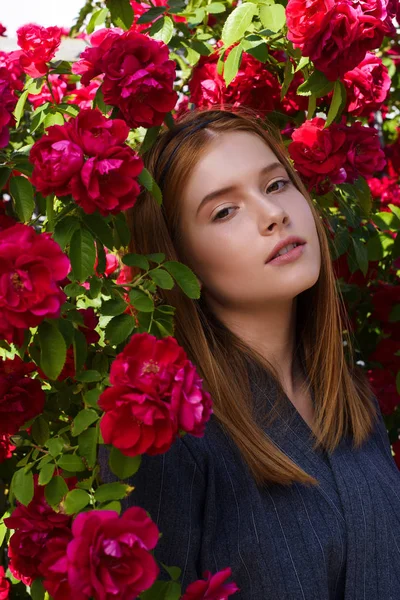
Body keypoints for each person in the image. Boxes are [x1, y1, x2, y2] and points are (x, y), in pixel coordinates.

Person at [99, 107, 400, 599]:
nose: (273, 214)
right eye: (224, 210)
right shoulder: (166, 435)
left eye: (276, 185)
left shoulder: (355, 402)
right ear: (179, 259)